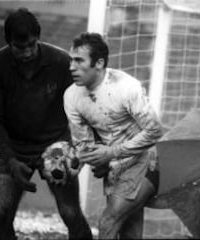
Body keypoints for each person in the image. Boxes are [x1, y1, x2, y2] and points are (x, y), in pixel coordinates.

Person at [0, 8, 92, 240]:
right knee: (1, 213)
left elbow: (85, 105)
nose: (27, 52)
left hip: (55, 146)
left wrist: (82, 147)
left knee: (71, 213)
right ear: (8, 42)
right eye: (20, 47)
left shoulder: (62, 62)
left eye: (32, 44)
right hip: (14, 148)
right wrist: (10, 159)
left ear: (38, 38)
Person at [65, 32, 163, 239]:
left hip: (145, 161)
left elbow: (154, 130)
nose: (71, 67)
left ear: (98, 63)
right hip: (114, 168)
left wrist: (111, 152)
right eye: (71, 59)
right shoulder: (71, 96)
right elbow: (84, 144)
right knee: (129, 233)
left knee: (108, 222)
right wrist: (76, 162)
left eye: (78, 60)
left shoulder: (126, 87)